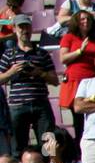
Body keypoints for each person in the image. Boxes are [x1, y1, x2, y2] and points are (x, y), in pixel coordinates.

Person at [0, 15, 58, 149]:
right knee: (17, 148)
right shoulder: (8, 54)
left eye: (27, 26)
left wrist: (40, 73)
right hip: (18, 105)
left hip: (41, 104)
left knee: (49, 148)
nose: (24, 30)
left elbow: (55, 80)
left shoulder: (42, 54)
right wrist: (12, 72)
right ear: (14, 29)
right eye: (21, 27)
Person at [58, 10, 95, 141]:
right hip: (75, 81)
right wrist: (80, 51)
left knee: (93, 117)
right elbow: (63, 58)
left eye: (88, 19)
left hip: (93, 82)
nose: (86, 21)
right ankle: (79, 149)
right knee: (78, 119)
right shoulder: (69, 37)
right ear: (76, 22)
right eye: (82, 19)